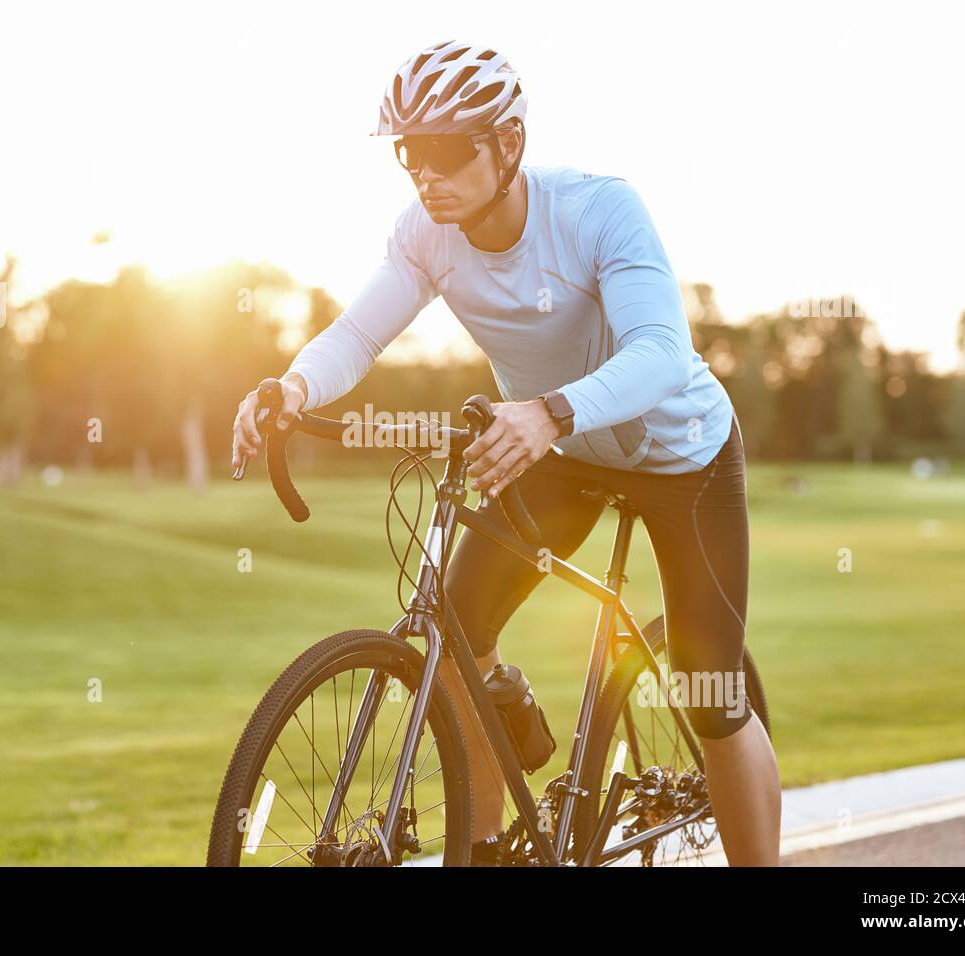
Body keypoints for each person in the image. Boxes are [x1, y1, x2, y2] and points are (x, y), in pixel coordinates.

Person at [231, 39, 781, 866]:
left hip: (679, 457)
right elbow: (357, 334)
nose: (427, 173)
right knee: (458, 630)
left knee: (711, 694)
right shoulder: (425, 235)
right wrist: (295, 388)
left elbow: (662, 350)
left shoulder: (598, 211)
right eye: (411, 153)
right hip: (558, 448)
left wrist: (552, 412)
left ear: (510, 143)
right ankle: (484, 848)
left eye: (450, 150)